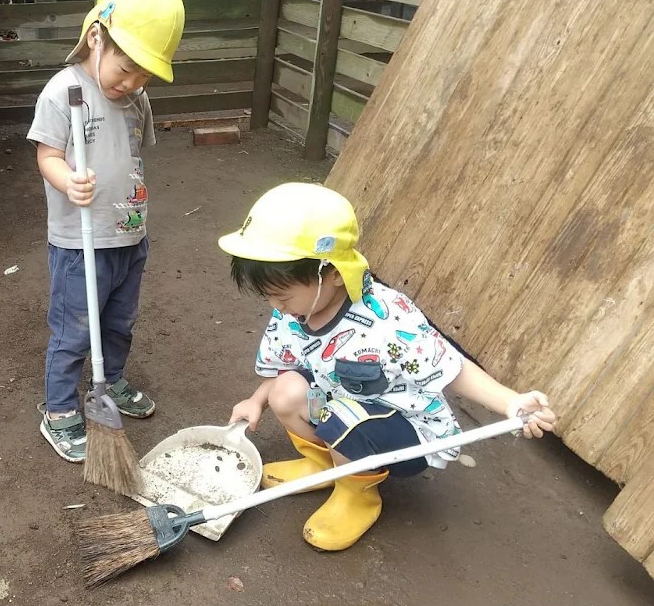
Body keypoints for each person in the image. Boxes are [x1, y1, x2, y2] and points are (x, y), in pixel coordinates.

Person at [221, 182, 557, 550]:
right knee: (285, 390)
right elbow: (280, 364)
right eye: (269, 296)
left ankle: (357, 494)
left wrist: (512, 402)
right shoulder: (292, 313)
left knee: (342, 418)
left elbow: (453, 368)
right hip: (338, 404)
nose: (277, 306)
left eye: (282, 296)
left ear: (331, 272)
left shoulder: (389, 321)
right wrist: (256, 401)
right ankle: (323, 463)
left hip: (400, 427)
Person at [26, 0, 184, 462]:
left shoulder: (136, 99)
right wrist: (66, 178)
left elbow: (132, 156)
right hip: (80, 241)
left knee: (119, 322)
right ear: (97, 37)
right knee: (75, 329)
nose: (133, 82)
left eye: (145, 75)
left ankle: (111, 381)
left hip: (129, 235)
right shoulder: (62, 91)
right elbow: (47, 155)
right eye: (127, 67)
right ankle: (58, 410)